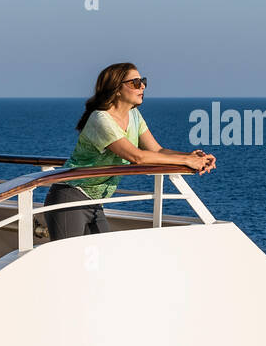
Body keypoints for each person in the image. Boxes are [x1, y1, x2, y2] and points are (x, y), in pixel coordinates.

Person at [43, 63, 216, 241]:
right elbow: (136, 156)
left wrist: (191, 157)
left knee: (102, 258)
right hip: (70, 195)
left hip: (94, 201)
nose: (142, 86)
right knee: (70, 262)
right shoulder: (100, 119)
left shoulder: (134, 115)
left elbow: (157, 149)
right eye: (135, 83)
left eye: (143, 82)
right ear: (117, 89)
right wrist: (186, 161)